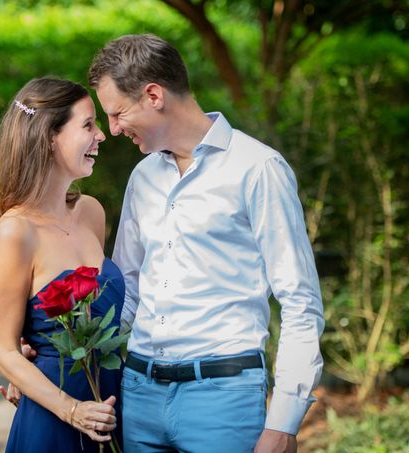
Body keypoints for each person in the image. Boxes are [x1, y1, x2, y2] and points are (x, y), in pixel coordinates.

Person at [85, 34, 325, 452]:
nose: (114, 129)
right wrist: (57, 356)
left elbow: (300, 302)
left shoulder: (258, 168)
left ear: (154, 95)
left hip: (224, 400)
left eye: (118, 113)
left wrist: (284, 420)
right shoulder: (142, 178)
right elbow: (128, 293)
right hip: (138, 395)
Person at [0, 77, 125, 452]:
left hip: (113, 410)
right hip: (55, 421)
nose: (102, 135)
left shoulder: (91, 212)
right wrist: (73, 411)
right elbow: (5, 351)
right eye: (88, 125)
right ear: (49, 137)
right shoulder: (14, 233)